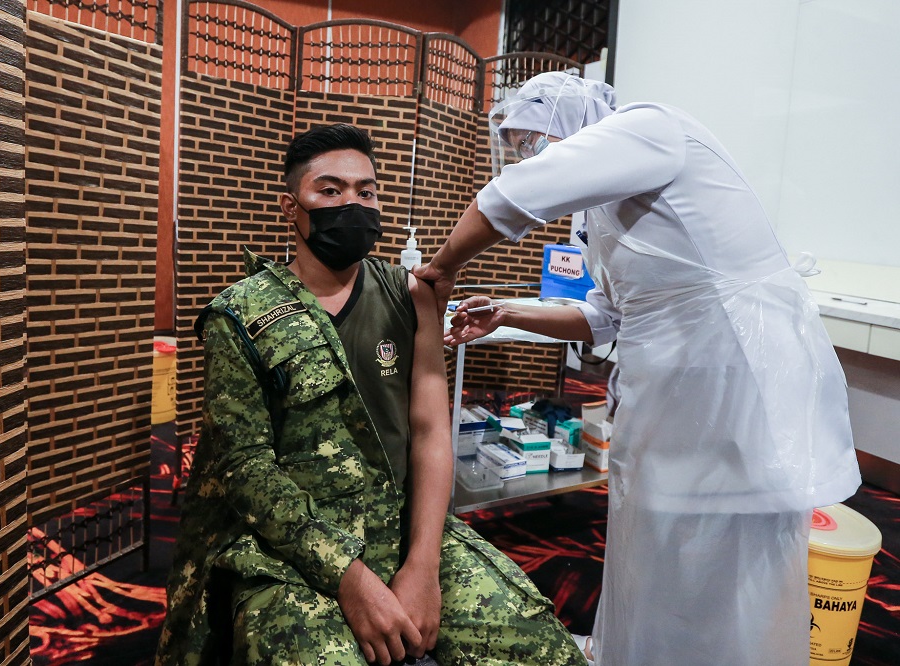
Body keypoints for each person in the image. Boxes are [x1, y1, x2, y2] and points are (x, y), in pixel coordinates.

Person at [415, 72, 862, 666]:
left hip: (730, 374)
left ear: (571, 118)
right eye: (518, 144)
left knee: (720, 552)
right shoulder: (604, 211)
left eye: (532, 139)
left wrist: (443, 267)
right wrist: (506, 311)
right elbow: (605, 315)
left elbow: (509, 198)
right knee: (656, 540)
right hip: (676, 384)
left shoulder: (650, 129)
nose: (527, 154)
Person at [154, 123, 587, 666]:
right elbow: (247, 471)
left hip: (401, 526)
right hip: (292, 545)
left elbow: (430, 433)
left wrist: (422, 568)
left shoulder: (409, 294)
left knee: (542, 649)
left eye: (367, 191)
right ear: (292, 208)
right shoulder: (238, 315)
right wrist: (350, 578)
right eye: (330, 191)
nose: (352, 205)